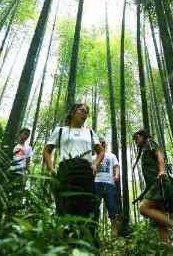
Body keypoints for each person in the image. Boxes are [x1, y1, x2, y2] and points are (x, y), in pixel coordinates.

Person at [43, 103, 104, 246]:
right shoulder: (60, 131)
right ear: (72, 112)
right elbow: (47, 150)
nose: (85, 114)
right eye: (82, 110)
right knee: (65, 206)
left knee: (89, 206)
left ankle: (88, 243)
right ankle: (66, 244)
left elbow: (101, 151)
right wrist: (51, 168)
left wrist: (95, 164)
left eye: (87, 112)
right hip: (66, 169)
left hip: (85, 170)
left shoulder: (89, 132)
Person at [133, 129, 173, 247]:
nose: (135, 142)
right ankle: (168, 250)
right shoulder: (145, 149)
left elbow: (159, 154)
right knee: (162, 225)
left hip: (159, 182)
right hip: (155, 186)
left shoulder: (150, 143)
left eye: (136, 138)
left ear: (142, 136)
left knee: (143, 208)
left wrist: (162, 170)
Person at [93, 138, 120, 236]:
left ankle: (114, 232)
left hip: (109, 183)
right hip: (96, 183)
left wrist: (117, 175)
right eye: (99, 143)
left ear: (105, 145)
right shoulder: (93, 157)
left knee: (112, 207)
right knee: (94, 207)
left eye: (103, 143)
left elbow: (116, 166)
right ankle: (94, 232)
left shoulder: (111, 155)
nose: (101, 145)